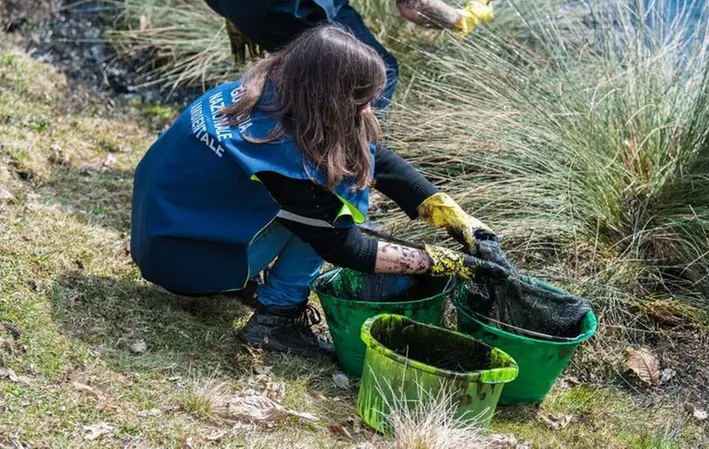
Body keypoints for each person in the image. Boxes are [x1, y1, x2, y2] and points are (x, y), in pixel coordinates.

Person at [130, 25, 508, 357]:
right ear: (329, 97)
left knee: (317, 204)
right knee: (326, 217)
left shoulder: (268, 89)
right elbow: (343, 246)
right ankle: (277, 319)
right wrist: (444, 262)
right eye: (361, 102)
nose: (367, 112)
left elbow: (377, 158)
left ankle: (244, 276)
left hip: (165, 229)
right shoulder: (281, 162)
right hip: (181, 262)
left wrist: (454, 216)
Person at [203, 0, 494, 109]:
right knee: (376, 72)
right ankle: (348, 169)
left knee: (303, 75)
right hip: (282, 9)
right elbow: (415, 6)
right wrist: (460, 20)